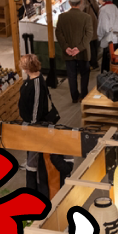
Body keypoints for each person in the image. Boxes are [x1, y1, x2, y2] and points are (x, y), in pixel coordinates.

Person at [18, 54, 73, 196]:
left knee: (34, 157)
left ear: (27, 67)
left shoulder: (36, 83)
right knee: (32, 156)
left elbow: (36, 107)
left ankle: (35, 189)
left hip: (36, 127)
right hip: (30, 125)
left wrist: (33, 126)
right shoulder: (31, 79)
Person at [56, 0, 93, 103]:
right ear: (81, 2)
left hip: (68, 53)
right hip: (83, 52)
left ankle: (74, 97)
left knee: (71, 75)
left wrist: (66, 47)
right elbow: (89, 35)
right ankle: (84, 95)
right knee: (84, 74)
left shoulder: (62, 17)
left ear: (69, 2)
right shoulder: (86, 17)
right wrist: (79, 48)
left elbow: (58, 33)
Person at [96, 0, 118, 72]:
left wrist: (99, 37)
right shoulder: (114, 6)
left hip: (109, 40)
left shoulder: (103, 9)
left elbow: (103, 27)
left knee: (108, 64)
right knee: (117, 62)